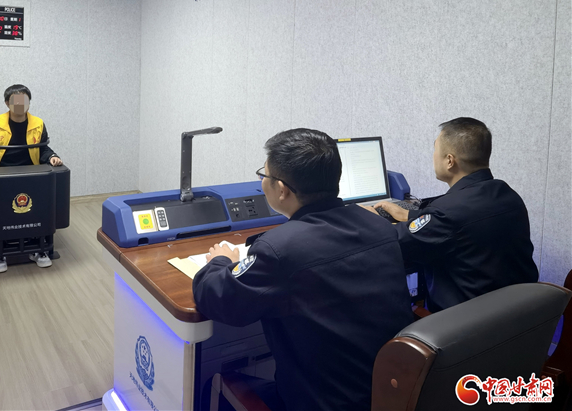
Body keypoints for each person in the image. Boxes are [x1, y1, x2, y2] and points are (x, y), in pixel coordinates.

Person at [192, 129, 413, 411]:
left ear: (281, 189)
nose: (262, 183)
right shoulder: (380, 227)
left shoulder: (278, 250)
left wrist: (220, 261)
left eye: (264, 175)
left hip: (323, 402)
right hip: (388, 394)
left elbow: (217, 298)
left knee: (213, 384)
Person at [370, 117, 538, 312]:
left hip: (464, 324)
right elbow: (459, 223)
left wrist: (368, 217)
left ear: (449, 160)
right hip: (515, 317)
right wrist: (410, 215)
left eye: (435, 149)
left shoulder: (447, 213)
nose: (433, 156)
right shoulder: (508, 196)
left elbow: (395, 241)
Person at [0, 84, 63, 271]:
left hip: (30, 174)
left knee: (37, 207)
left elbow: (43, 148)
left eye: (24, 101)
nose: (20, 105)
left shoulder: (38, 123)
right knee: (0, 211)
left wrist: (52, 156)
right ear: (7, 103)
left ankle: (39, 249)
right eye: (15, 101)